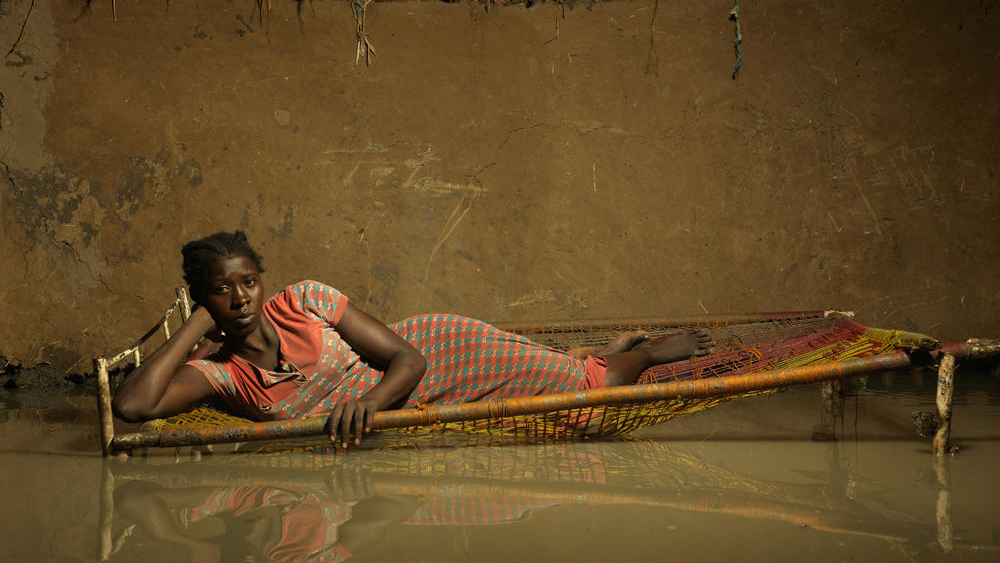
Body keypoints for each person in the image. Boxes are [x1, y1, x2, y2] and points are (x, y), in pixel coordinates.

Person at [112, 231, 714, 450]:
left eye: (248, 282)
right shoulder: (222, 375)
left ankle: (641, 354)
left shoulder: (304, 301)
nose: (241, 298)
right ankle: (604, 354)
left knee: (597, 392)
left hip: (435, 358)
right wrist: (196, 324)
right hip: (416, 410)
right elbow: (132, 408)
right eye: (222, 290)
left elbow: (408, 355)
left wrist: (368, 405)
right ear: (202, 296)